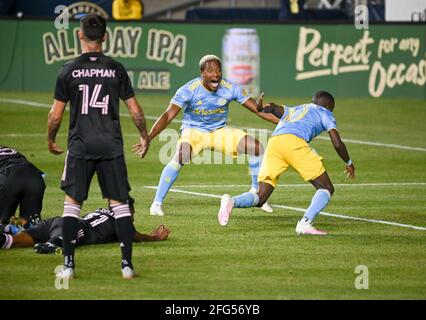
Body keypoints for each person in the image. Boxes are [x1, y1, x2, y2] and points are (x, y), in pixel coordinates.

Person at [47, 13, 150, 280]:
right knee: (120, 205)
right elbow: (136, 110)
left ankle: (68, 265)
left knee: (72, 205)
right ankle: (127, 266)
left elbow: (55, 116)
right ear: (105, 37)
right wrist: (144, 135)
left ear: (80, 35)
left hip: (80, 146)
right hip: (110, 145)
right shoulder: (116, 69)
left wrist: (50, 139)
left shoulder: (67, 70)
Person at [143, 54, 278, 217]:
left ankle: (256, 193)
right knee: (180, 156)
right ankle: (156, 204)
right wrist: (148, 137)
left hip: (219, 131)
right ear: (202, 73)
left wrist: (286, 122)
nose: (216, 74)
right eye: (211, 70)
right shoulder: (188, 90)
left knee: (256, 148)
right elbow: (167, 116)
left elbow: (258, 111)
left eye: (219, 70)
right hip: (194, 132)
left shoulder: (230, 88)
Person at [217, 91, 355, 235]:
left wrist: (262, 107)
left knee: (261, 197)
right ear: (329, 106)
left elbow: (273, 108)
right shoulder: (326, 113)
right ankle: (305, 223)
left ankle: (231, 201)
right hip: (293, 142)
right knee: (326, 187)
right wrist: (348, 162)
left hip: (275, 143)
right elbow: (337, 143)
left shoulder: (298, 108)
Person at [0, 207, 171, 252]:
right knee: (58, 244)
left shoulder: (101, 211)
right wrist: (154, 238)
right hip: (74, 228)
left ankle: (7, 235)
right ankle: (52, 245)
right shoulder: (121, 219)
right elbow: (136, 237)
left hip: (58, 220)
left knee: (16, 241)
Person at [0, 146, 45, 231]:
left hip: (8, 178)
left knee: (2, 225)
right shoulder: (6, 149)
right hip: (35, 177)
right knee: (31, 228)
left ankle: (8, 228)